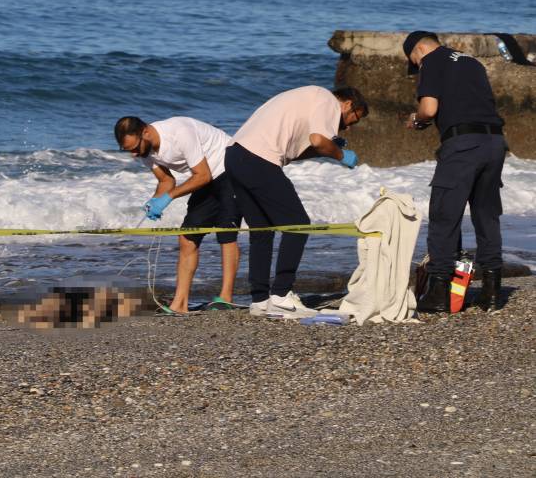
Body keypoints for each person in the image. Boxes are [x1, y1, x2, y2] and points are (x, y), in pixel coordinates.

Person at [224, 86, 367, 318]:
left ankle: (260, 300)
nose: (348, 126)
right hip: (258, 158)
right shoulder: (327, 99)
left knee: (262, 230)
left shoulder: (307, 99)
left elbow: (295, 152)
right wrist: (342, 156)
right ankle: (281, 295)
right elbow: (319, 140)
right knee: (298, 224)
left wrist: (327, 151)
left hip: (234, 155)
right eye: (353, 118)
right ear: (349, 104)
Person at [402, 31, 507, 312]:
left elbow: (429, 108)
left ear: (419, 49)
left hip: (463, 145)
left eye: (414, 61)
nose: (417, 67)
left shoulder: (432, 61)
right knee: (487, 214)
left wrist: (416, 119)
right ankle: (493, 290)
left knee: (444, 214)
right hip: (495, 142)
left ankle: (438, 292)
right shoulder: (471, 62)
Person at [114, 115, 241, 314]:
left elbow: (203, 175)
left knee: (226, 233)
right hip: (205, 177)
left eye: (135, 148)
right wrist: (155, 201)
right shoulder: (145, 151)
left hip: (230, 167)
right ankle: (180, 304)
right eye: (128, 150)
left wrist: (169, 198)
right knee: (187, 237)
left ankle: (225, 298)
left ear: (145, 132)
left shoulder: (179, 133)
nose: (134, 154)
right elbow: (166, 182)